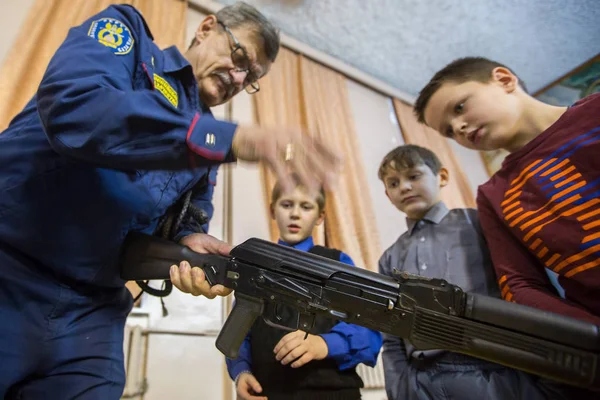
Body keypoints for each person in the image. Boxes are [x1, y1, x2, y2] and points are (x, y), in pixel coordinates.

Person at [0, 2, 341, 399]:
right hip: (12, 267)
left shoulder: (206, 152)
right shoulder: (128, 36)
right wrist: (231, 138)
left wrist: (187, 249)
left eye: (251, 76)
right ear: (207, 28)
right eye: (239, 56)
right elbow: (76, 111)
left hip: (93, 312)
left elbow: (179, 228)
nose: (238, 76)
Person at [414, 56, 600, 326]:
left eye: (460, 107)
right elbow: (519, 283)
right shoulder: (493, 195)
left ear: (504, 80)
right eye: (449, 132)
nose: (458, 128)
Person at [377, 145, 545, 400]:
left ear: (442, 176)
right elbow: (391, 330)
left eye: (413, 176)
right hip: (423, 380)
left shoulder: (479, 223)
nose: (404, 187)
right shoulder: (389, 257)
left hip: (493, 369)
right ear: (388, 196)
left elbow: (525, 288)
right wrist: (401, 388)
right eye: (393, 183)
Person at [226, 176, 382, 400]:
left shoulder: (338, 262)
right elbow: (239, 332)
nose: (295, 214)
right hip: (266, 392)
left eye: (306, 207)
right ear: (272, 210)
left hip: (332, 392)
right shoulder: (254, 265)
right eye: (287, 204)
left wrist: (325, 344)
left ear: (320, 217)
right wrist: (241, 372)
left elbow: (369, 330)